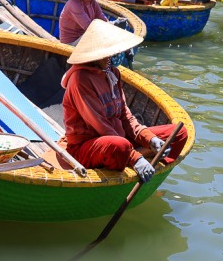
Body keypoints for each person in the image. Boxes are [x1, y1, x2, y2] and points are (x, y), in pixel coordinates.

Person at [61, 20, 188, 182]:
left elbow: (124, 115)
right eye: (108, 52)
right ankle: (133, 159)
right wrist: (134, 156)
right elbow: (100, 126)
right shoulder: (81, 79)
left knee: (178, 133)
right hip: (88, 146)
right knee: (119, 146)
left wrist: (149, 139)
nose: (113, 56)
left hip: (118, 136)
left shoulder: (112, 73)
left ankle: (138, 163)